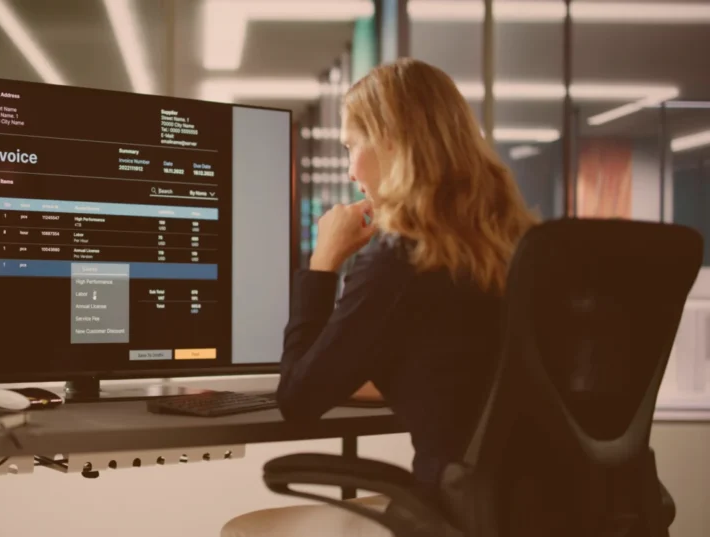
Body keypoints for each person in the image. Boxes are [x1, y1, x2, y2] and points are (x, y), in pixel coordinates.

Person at [222, 58, 538, 537]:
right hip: (557, 510)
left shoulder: (401, 259)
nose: (351, 170)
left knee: (249, 530)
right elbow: (464, 374)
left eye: (351, 146)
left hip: (462, 516)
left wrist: (323, 263)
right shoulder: (516, 249)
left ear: (391, 139)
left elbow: (297, 399)